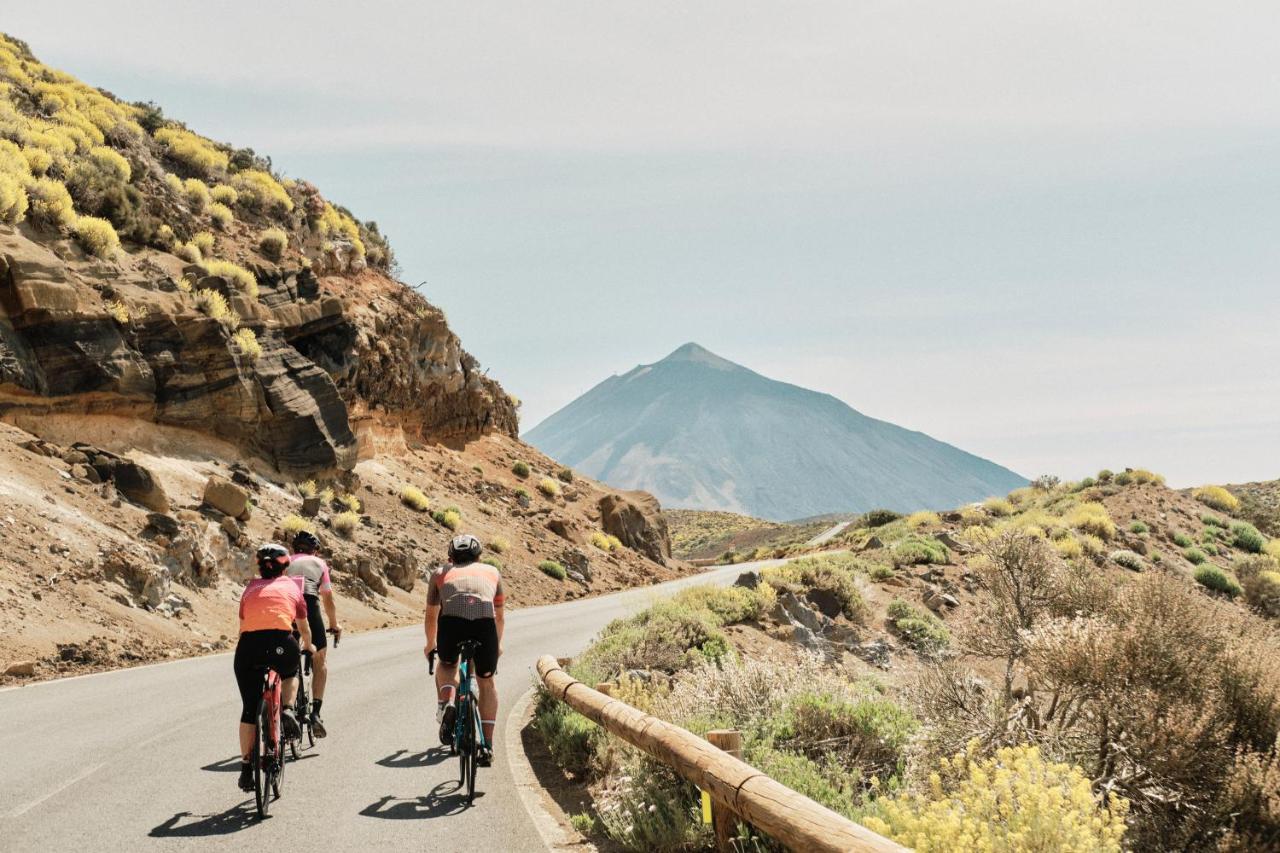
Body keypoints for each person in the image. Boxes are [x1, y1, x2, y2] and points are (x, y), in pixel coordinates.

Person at [235, 544, 313, 792]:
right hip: (281, 641)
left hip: (248, 647)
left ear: (260, 566)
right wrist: (309, 647)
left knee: (249, 709)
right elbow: (303, 627)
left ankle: (247, 767)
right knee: (291, 673)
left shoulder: (249, 588)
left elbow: (242, 625)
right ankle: (288, 709)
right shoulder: (292, 587)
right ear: (285, 566)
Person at [423, 534, 504, 766]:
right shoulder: (492, 572)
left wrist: (430, 644)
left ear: (451, 557)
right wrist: (496, 646)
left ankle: (448, 702)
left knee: (448, 664)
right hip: (484, 625)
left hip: (452, 623)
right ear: (479, 557)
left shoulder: (440, 573)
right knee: (487, 682)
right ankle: (487, 746)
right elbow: (499, 617)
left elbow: (431, 616)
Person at [286, 531, 342, 737]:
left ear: (294, 549)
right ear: (315, 551)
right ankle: (316, 714)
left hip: (285, 605)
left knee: (287, 660)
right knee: (320, 659)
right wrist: (335, 625)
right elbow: (328, 599)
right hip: (309, 604)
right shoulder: (319, 564)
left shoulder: (284, 560)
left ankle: (287, 708)